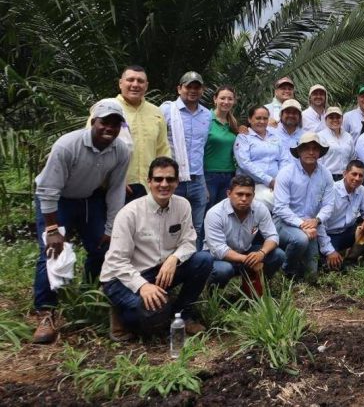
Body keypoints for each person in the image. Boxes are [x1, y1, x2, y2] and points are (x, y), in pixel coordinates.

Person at [31, 99, 131, 344]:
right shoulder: (68, 145)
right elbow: (47, 189)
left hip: (89, 199)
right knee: (52, 252)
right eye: (104, 122)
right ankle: (46, 312)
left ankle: (90, 292)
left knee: (102, 247)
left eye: (115, 124)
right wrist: (53, 228)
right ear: (93, 122)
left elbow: (116, 190)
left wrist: (111, 227)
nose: (109, 128)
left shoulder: (121, 150)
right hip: (58, 200)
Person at [101, 157, 213, 341]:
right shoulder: (130, 213)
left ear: (177, 182)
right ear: (149, 182)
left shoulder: (182, 205)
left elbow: (189, 241)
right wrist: (143, 286)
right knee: (154, 315)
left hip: (160, 271)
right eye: (158, 179)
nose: (164, 184)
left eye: (170, 179)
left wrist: (173, 259)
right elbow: (117, 262)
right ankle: (121, 314)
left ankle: (182, 315)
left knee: (204, 260)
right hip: (122, 278)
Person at [204, 175, 285, 296]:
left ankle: (253, 290)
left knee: (278, 255)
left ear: (254, 195)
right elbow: (219, 249)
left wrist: (261, 253)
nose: (244, 199)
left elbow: (273, 236)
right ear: (229, 194)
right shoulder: (215, 213)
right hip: (218, 258)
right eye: (239, 194)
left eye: (248, 195)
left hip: (245, 252)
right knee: (224, 270)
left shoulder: (260, 208)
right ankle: (213, 295)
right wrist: (249, 260)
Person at [274, 133, 335, 280]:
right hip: (283, 223)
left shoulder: (326, 174)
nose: (311, 152)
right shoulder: (286, 173)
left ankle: (298, 267)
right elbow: (280, 208)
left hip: (311, 225)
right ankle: (286, 271)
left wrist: (317, 220)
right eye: (306, 148)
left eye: (315, 148)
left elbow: (329, 204)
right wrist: (302, 224)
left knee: (312, 275)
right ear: (299, 151)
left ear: (320, 152)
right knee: (300, 240)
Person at [161, 72, 212, 247]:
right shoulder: (167, 110)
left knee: (196, 227)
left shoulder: (207, 115)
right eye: (188, 86)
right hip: (173, 180)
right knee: (170, 226)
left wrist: (204, 184)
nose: (192, 90)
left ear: (202, 90)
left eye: (196, 87)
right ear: (179, 88)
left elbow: (201, 151)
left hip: (197, 180)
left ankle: (194, 267)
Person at [111, 65, 171, 203]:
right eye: (130, 80)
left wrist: (163, 179)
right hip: (115, 188)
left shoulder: (156, 113)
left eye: (140, 81)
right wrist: (112, 179)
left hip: (149, 189)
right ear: (121, 83)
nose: (135, 84)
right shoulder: (107, 109)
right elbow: (94, 150)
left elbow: (162, 150)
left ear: (146, 85)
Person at [321, 160, 364, 267]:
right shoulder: (332, 191)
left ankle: (353, 258)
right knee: (330, 264)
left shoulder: (362, 190)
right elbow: (320, 225)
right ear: (345, 174)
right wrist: (329, 251)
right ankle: (345, 256)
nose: (357, 178)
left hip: (348, 232)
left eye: (360, 175)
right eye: (354, 174)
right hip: (329, 235)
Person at [234, 106, 288, 211]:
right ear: (250, 119)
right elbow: (244, 163)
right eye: (258, 118)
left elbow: (283, 159)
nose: (262, 121)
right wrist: (269, 180)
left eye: (265, 118)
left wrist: (280, 180)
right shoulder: (244, 137)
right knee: (270, 204)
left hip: (276, 185)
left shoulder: (275, 137)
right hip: (251, 184)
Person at [205, 86, 239, 211]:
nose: (226, 102)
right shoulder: (206, 119)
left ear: (234, 101)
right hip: (209, 174)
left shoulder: (233, 124)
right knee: (207, 212)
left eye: (230, 99)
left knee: (222, 213)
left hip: (229, 175)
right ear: (215, 99)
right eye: (222, 98)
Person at [318, 106, 355, 181]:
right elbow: (318, 161)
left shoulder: (348, 137)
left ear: (342, 119)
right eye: (331, 117)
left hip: (345, 177)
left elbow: (352, 157)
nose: (335, 120)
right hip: (327, 177)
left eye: (338, 117)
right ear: (326, 120)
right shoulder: (320, 136)